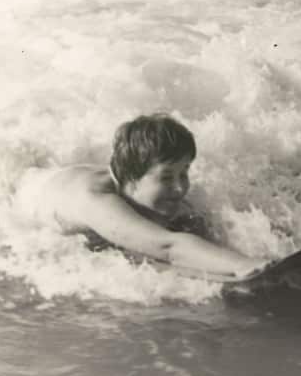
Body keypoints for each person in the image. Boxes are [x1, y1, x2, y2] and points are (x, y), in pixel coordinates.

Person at [15, 113, 265, 278]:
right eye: (167, 178)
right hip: (21, 191)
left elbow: (190, 232)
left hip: (60, 178)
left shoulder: (141, 183)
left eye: (184, 173)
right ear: (131, 180)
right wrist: (243, 265)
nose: (180, 188)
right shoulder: (95, 202)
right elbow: (168, 247)